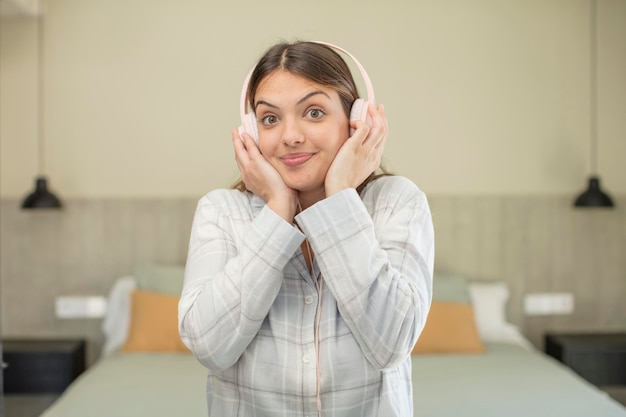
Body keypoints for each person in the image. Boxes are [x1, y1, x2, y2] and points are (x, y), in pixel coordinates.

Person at [179, 40, 434, 417]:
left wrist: (339, 199)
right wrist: (278, 210)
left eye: (314, 112)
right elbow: (210, 347)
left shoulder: (398, 202)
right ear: (251, 131)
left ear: (355, 121)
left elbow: (391, 344)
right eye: (269, 118)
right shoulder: (221, 211)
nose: (290, 136)